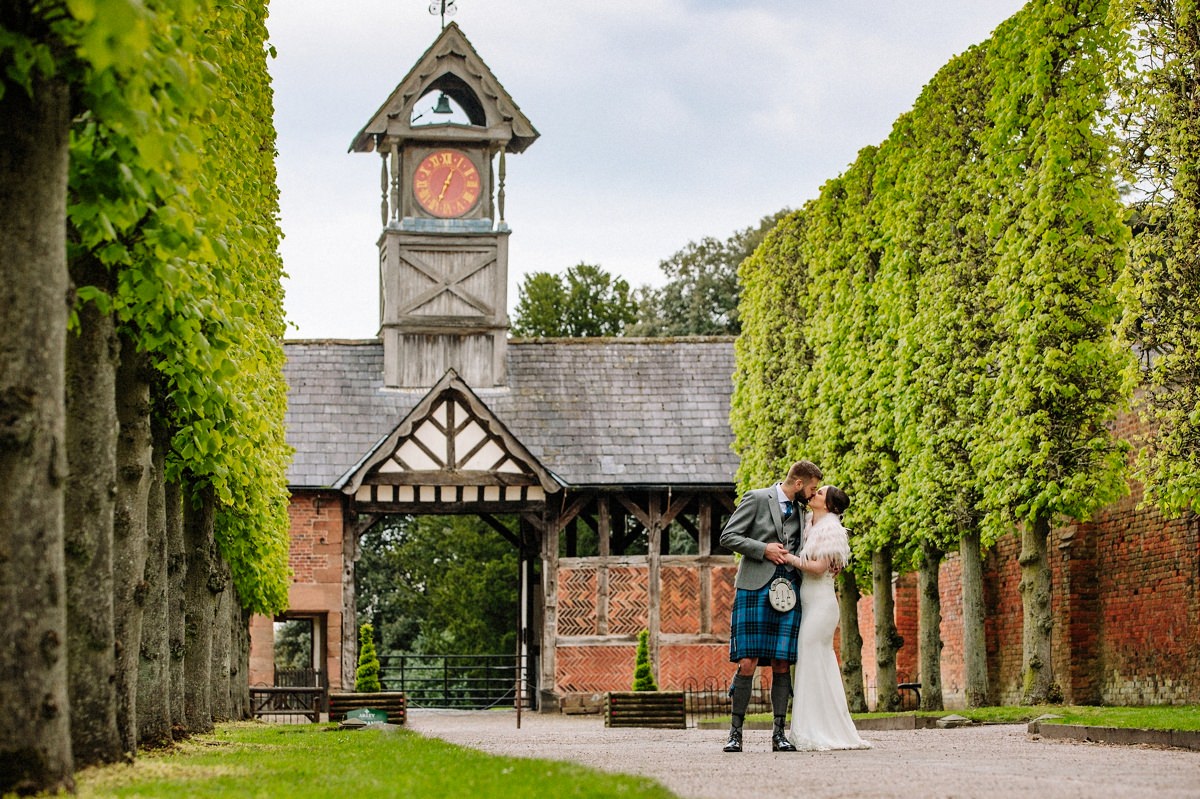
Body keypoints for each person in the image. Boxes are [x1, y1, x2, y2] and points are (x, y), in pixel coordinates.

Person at [718, 460, 823, 753]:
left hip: (789, 589)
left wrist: (829, 562)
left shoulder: (803, 512)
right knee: (747, 661)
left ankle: (779, 734)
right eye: (811, 488)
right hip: (755, 586)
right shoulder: (756, 498)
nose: (813, 495)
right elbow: (728, 536)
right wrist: (763, 548)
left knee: (781, 661)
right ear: (799, 483)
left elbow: (810, 547)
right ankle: (735, 733)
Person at [783, 485, 871, 751]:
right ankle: (814, 725)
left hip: (821, 604)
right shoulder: (810, 522)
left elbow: (819, 567)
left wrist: (788, 558)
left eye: (820, 493)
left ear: (830, 506)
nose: (814, 494)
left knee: (810, 657)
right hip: (809, 601)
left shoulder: (831, 529)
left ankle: (815, 729)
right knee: (815, 662)